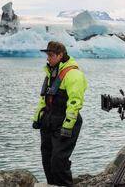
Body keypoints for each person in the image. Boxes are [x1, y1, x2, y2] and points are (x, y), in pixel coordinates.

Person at [32, 41, 87, 186]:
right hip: (48, 122)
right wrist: (38, 118)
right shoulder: (51, 72)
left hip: (65, 122)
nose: (48, 58)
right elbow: (44, 99)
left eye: (50, 55)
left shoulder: (73, 74)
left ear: (60, 55)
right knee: (47, 159)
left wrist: (67, 126)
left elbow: (75, 102)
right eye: (47, 55)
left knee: (58, 161)